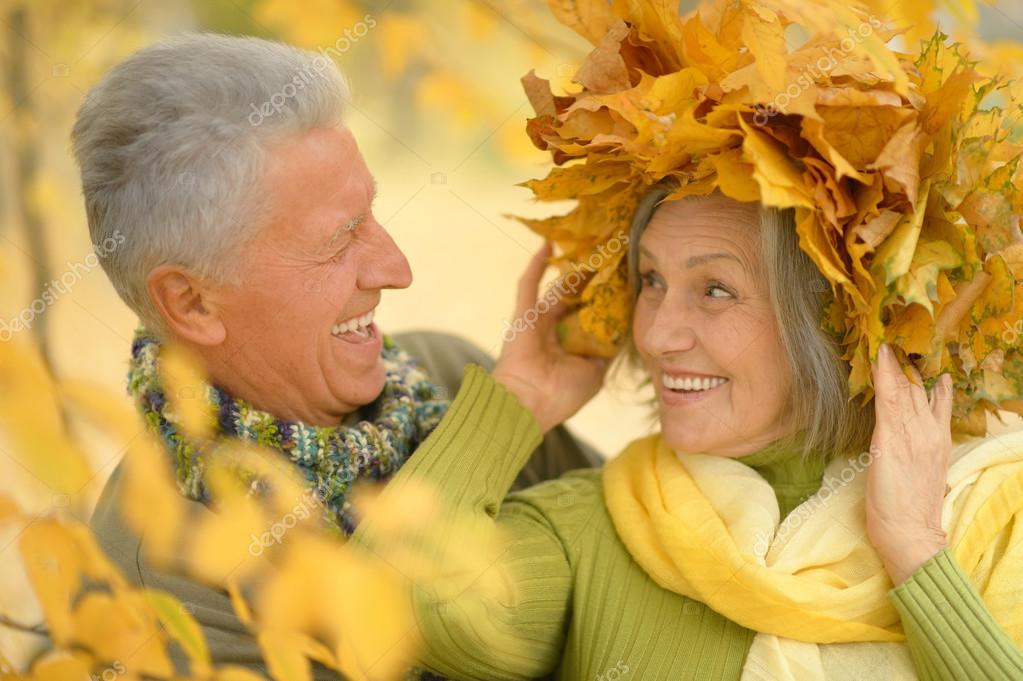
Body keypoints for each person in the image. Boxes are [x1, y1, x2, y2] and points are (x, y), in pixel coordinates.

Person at [351, 0, 1023, 677]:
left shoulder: (988, 509)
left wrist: (914, 547)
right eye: (649, 280)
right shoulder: (600, 524)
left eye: (714, 290)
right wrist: (517, 400)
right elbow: (385, 615)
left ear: (836, 321)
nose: (657, 332)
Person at [75, 34, 599, 674]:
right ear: (192, 303)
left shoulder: (451, 376)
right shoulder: (160, 603)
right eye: (340, 237)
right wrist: (495, 429)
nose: (396, 268)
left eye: (369, 212)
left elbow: (665, 561)